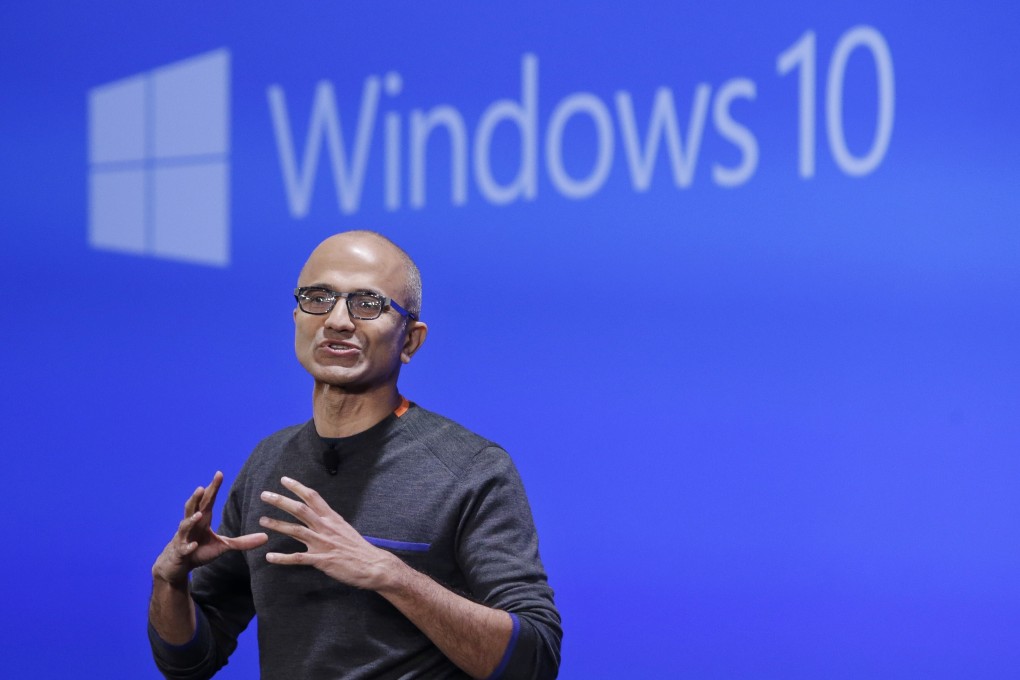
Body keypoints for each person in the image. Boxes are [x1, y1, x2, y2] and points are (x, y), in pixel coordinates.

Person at [148, 231, 561, 679]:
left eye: (368, 303)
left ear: (410, 341)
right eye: (319, 297)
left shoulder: (471, 469)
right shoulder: (268, 463)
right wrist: (169, 583)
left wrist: (389, 573)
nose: (338, 320)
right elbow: (188, 662)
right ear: (297, 319)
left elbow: (533, 661)